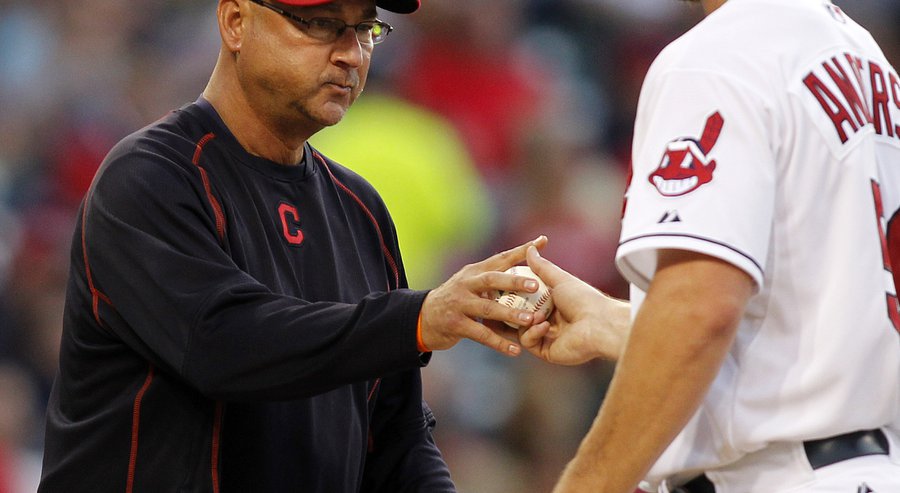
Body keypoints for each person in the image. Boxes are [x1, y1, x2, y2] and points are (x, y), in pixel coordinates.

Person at [37, 0, 549, 491]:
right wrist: (416, 318)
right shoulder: (152, 177)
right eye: (321, 23)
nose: (351, 52)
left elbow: (396, 440)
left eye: (365, 28)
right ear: (236, 21)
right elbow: (224, 345)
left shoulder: (360, 209)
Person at [517, 0, 900, 491]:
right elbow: (811, 324)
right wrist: (623, 326)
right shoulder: (866, 59)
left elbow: (702, 312)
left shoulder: (718, 53)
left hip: (771, 475)